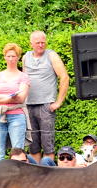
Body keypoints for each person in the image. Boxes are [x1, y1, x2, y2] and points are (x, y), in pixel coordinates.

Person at [22, 31, 69, 164]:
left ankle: (47, 176)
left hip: (46, 106)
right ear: (31, 44)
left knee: (48, 145)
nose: (41, 45)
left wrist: (58, 102)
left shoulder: (51, 55)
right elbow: (24, 80)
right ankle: (35, 176)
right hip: (28, 106)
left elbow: (64, 77)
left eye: (43, 42)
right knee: (33, 144)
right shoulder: (25, 57)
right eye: (37, 42)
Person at [0, 43, 30, 163]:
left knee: (18, 152)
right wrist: (8, 98)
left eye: (14, 56)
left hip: (17, 115)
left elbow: (20, 99)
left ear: (18, 57)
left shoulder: (23, 76)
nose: (11, 59)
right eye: (8, 56)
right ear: (5, 57)